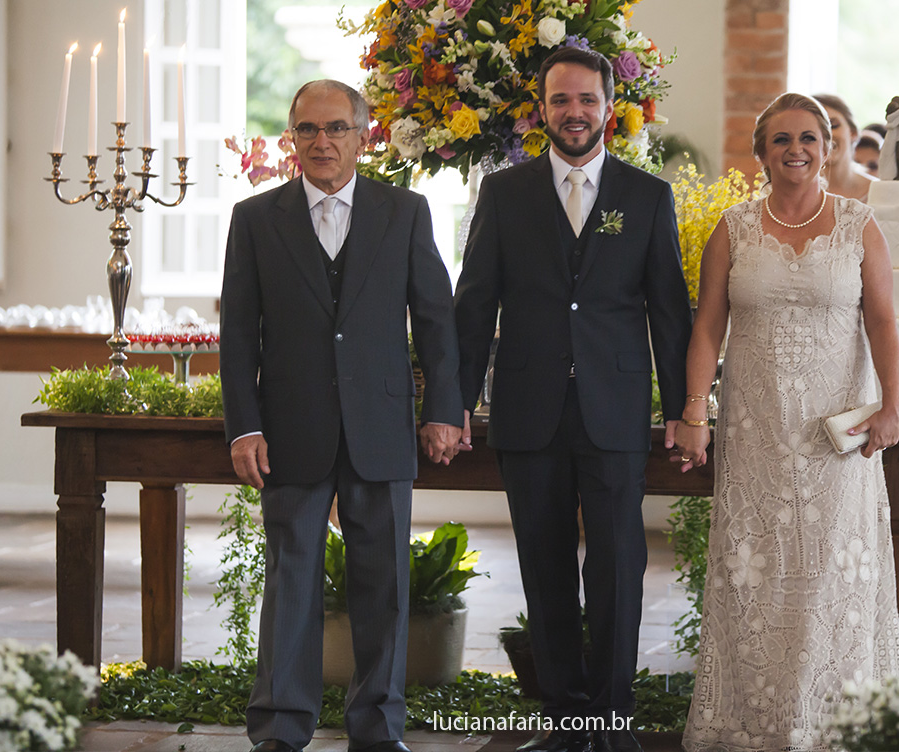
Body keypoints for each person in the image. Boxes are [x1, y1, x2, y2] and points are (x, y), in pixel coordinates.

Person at [455, 46, 692, 752]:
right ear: (543, 109)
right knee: (545, 566)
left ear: (609, 108)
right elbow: (475, 306)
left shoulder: (647, 195)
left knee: (619, 567)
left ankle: (611, 720)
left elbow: (669, 314)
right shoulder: (504, 193)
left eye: (587, 99)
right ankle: (565, 722)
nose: (574, 112)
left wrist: (682, 411)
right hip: (527, 411)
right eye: (561, 100)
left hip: (615, 411)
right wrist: (457, 401)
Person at [220, 79, 464, 752]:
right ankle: (279, 726)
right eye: (306, 129)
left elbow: (436, 320)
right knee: (290, 580)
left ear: (364, 135)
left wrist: (444, 407)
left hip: (381, 427)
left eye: (335, 128)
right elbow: (238, 335)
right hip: (290, 428)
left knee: (383, 585)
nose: (320, 141)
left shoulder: (406, 212)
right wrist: (244, 424)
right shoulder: (255, 219)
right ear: (291, 139)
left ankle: (379, 730)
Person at [674, 92, 899, 751]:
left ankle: (834, 722)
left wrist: (892, 405)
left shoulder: (861, 224)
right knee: (758, 574)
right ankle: (753, 724)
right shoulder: (734, 227)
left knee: (834, 573)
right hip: (756, 431)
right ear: (761, 152)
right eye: (781, 139)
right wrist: (697, 410)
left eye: (811, 136)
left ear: (830, 146)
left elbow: (884, 322)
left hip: (838, 435)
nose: (796, 149)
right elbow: (707, 326)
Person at [813, 93, 877, 201]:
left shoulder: (878, 191)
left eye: (833, 126)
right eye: (814, 129)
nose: (825, 136)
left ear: (853, 133)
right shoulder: (795, 193)